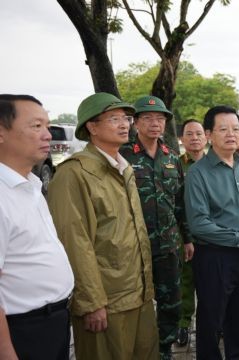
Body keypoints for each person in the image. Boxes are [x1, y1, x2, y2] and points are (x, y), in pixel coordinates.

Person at [48, 92, 159, 359]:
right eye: (113, 119)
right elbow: (75, 242)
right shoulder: (73, 174)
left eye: (126, 118)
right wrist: (91, 303)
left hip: (138, 294)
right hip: (106, 301)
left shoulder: (124, 168)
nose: (124, 125)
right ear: (92, 127)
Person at [185, 105, 239, 360]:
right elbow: (199, 223)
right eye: (223, 129)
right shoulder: (198, 174)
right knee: (211, 320)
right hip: (215, 258)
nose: (231, 134)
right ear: (210, 135)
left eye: (236, 129)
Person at [0, 94, 75, 360]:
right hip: (21, 329)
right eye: (35, 126)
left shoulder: (31, 184)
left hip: (52, 321)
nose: (47, 135)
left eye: (47, 126)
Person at [119, 95, 194, 359]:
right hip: (134, 248)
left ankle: (164, 351)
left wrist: (187, 239)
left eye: (160, 118)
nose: (155, 123)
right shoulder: (122, 156)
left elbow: (179, 203)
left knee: (171, 303)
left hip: (168, 245)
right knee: (134, 303)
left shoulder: (171, 157)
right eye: (148, 118)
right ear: (135, 122)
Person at [176, 119, 207, 347]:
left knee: (212, 284)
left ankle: (213, 325)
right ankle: (184, 323)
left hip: (213, 237)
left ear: (206, 137)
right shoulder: (174, 166)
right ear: (182, 139)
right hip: (185, 236)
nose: (194, 138)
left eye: (198, 133)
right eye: (190, 134)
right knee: (185, 282)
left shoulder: (217, 164)